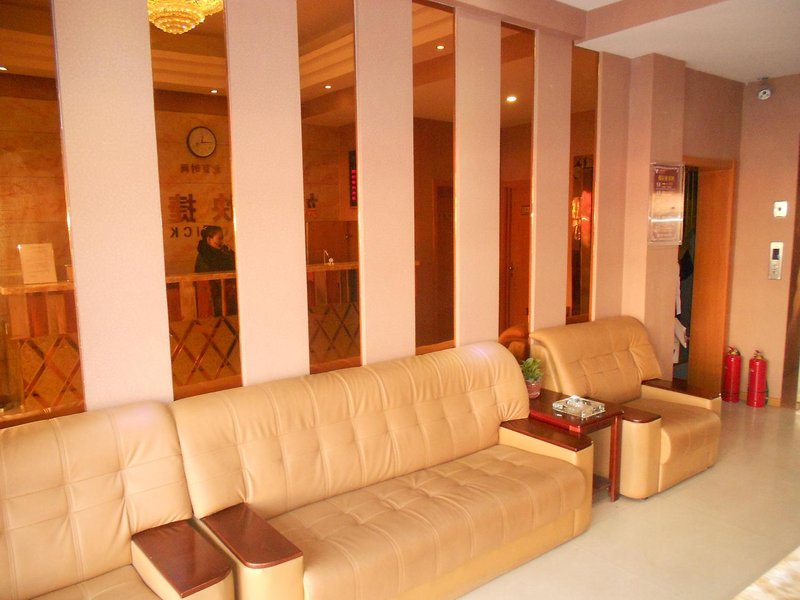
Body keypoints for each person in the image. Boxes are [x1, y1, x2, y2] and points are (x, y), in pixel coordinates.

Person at [195, 225, 236, 315]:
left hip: (227, 295)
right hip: (214, 298)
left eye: (222, 238)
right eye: (219, 239)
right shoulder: (205, 257)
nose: (222, 242)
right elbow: (207, 280)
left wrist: (231, 254)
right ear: (209, 239)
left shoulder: (222, 252)